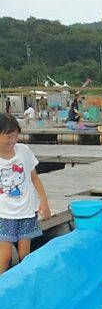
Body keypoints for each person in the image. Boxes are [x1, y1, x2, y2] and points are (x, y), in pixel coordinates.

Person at [0, 114, 51, 273]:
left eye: (16, 136)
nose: (13, 140)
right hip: (4, 213)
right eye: (9, 136)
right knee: (5, 255)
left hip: (27, 212)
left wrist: (44, 201)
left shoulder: (23, 151)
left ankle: (23, 284)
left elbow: (34, 177)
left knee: (24, 255)